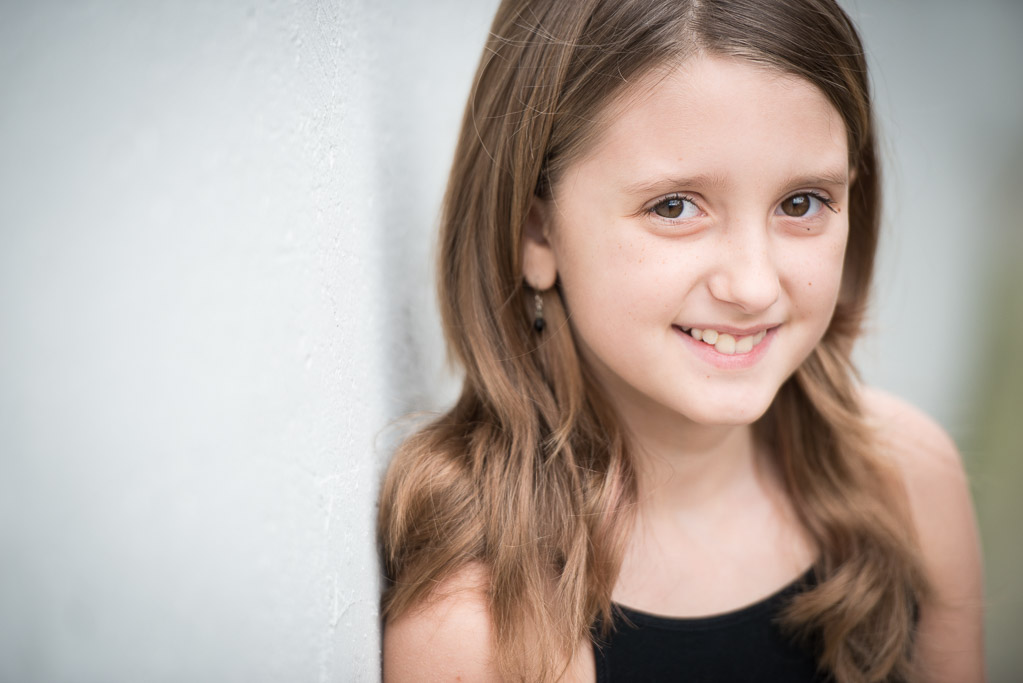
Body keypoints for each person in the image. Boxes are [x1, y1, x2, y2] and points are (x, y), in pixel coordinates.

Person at [377, 0, 984, 680]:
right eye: (674, 207)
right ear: (536, 232)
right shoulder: (483, 621)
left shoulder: (907, 482)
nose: (753, 285)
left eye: (801, 203)